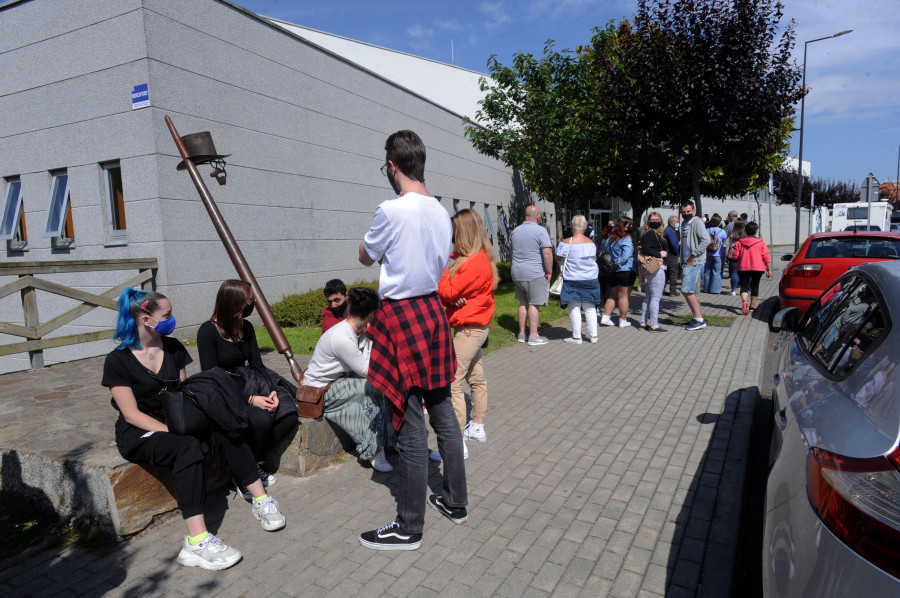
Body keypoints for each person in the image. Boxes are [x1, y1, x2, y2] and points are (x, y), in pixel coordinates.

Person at [102, 289, 285, 571]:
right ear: (146, 320)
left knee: (226, 425)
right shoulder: (118, 360)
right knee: (186, 447)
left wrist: (201, 418)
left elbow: (185, 394)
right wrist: (172, 430)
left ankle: (259, 497)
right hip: (141, 432)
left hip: (178, 419)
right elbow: (132, 414)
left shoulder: (173, 348)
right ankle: (197, 541)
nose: (172, 319)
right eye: (167, 315)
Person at [357, 130, 467, 550]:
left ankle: (409, 525)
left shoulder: (390, 210)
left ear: (392, 165)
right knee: (443, 414)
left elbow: (366, 255)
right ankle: (457, 502)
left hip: (402, 314)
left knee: (408, 424)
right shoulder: (441, 212)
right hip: (432, 312)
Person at [197, 280, 299, 496]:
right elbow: (212, 377)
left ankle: (250, 464)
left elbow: (257, 366)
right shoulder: (207, 332)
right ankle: (247, 475)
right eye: (249, 301)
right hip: (225, 389)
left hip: (250, 381)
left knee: (287, 414)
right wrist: (251, 400)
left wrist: (271, 391)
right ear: (233, 303)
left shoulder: (247, 327)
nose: (252, 304)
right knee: (260, 419)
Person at [303, 286, 393, 472]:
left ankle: (389, 440)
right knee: (373, 387)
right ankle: (374, 450)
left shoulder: (357, 331)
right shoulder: (342, 337)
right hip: (320, 390)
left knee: (381, 388)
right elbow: (368, 370)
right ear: (371, 314)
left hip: (337, 382)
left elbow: (369, 358)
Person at [436, 208, 499, 460]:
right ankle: (478, 426)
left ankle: (456, 442)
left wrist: (442, 267)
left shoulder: (473, 264)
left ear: (463, 232)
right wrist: (454, 299)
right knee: (476, 376)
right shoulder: (477, 257)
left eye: (454, 231)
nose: (450, 236)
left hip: (469, 330)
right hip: (474, 327)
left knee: (452, 382)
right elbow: (454, 294)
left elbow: (445, 292)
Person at [510, 205, 553, 346]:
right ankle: (533, 336)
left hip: (517, 272)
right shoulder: (540, 231)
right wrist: (549, 271)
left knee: (523, 303)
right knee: (534, 304)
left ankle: (522, 334)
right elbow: (547, 253)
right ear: (538, 216)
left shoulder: (515, 231)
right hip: (534, 273)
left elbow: (512, 252)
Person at [556, 215, 602, 343]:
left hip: (572, 278)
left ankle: (577, 336)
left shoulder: (565, 243)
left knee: (574, 307)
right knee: (590, 307)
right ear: (585, 227)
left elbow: (558, 258)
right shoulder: (591, 244)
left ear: (572, 227)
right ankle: (594, 336)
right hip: (590, 277)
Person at [679, 201, 711, 331]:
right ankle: (695, 317)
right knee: (688, 290)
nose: (686, 214)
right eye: (684, 212)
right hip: (686, 261)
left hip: (694, 261)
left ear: (693, 210)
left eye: (688, 211)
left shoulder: (697, 222)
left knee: (687, 290)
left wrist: (693, 255)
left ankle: (699, 319)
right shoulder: (684, 223)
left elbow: (706, 240)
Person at [599, 217, 636, 328]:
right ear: (623, 226)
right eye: (629, 225)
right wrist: (617, 263)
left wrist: (611, 264)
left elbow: (605, 253)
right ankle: (622, 320)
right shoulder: (626, 239)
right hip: (624, 270)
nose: (630, 227)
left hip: (611, 272)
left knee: (613, 295)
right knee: (624, 296)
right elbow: (626, 255)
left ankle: (605, 317)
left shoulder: (610, 239)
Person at [639, 212, 671, 332]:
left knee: (648, 296)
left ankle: (643, 322)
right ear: (648, 221)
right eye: (652, 219)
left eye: (657, 219)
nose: (654, 221)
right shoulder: (651, 233)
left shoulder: (647, 233)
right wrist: (660, 254)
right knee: (655, 298)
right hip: (656, 267)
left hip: (649, 268)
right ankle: (654, 324)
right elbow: (646, 248)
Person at [731, 221, 772, 315]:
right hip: (758, 267)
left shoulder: (739, 242)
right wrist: (769, 270)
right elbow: (766, 256)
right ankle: (752, 307)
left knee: (744, 285)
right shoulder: (761, 242)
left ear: (745, 230)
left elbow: (735, 256)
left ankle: (745, 301)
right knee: (755, 285)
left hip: (743, 267)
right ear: (756, 231)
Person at [702, 215, 728, 294]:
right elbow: (725, 241)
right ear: (719, 222)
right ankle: (715, 290)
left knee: (707, 271)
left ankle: (706, 288)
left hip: (708, 254)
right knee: (717, 272)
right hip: (719, 254)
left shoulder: (707, 230)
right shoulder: (722, 231)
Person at [724, 219, 745, 296]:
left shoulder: (731, 235)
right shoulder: (745, 236)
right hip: (743, 256)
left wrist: (725, 256)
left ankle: (733, 290)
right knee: (743, 273)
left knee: (734, 272)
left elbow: (727, 246)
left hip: (732, 255)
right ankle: (744, 289)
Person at [663, 215, 680, 296]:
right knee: (673, 273)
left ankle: (662, 290)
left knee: (666, 273)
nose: (678, 223)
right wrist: (677, 252)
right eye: (677, 222)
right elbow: (674, 244)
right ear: (671, 222)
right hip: (672, 254)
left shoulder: (668, 230)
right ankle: (673, 291)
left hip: (667, 254)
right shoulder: (670, 231)